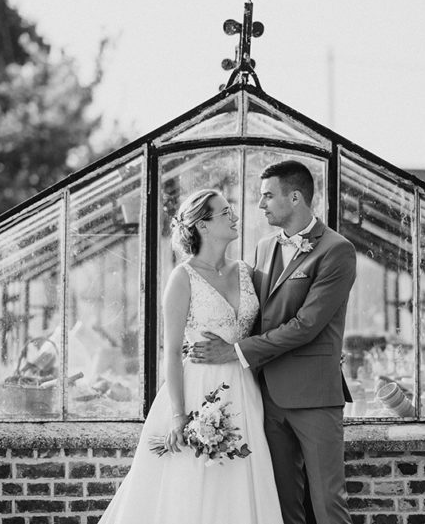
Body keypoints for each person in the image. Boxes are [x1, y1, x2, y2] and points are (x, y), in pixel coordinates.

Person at [97, 189, 283, 524]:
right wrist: (178, 416)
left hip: (245, 388)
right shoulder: (182, 278)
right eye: (225, 212)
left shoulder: (246, 271)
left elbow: (261, 331)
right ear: (203, 225)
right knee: (194, 481)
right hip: (199, 388)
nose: (235, 217)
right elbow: (170, 352)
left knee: (240, 481)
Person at [192, 160, 357, 524]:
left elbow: (306, 325)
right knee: (281, 504)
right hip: (265, 396)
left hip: (314, 396)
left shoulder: (336, 250)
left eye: (267, 195)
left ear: (295, 197)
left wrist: (235, 351)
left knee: (328, 501)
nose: (260, 204)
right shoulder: (264, 247)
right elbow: (255, 314)